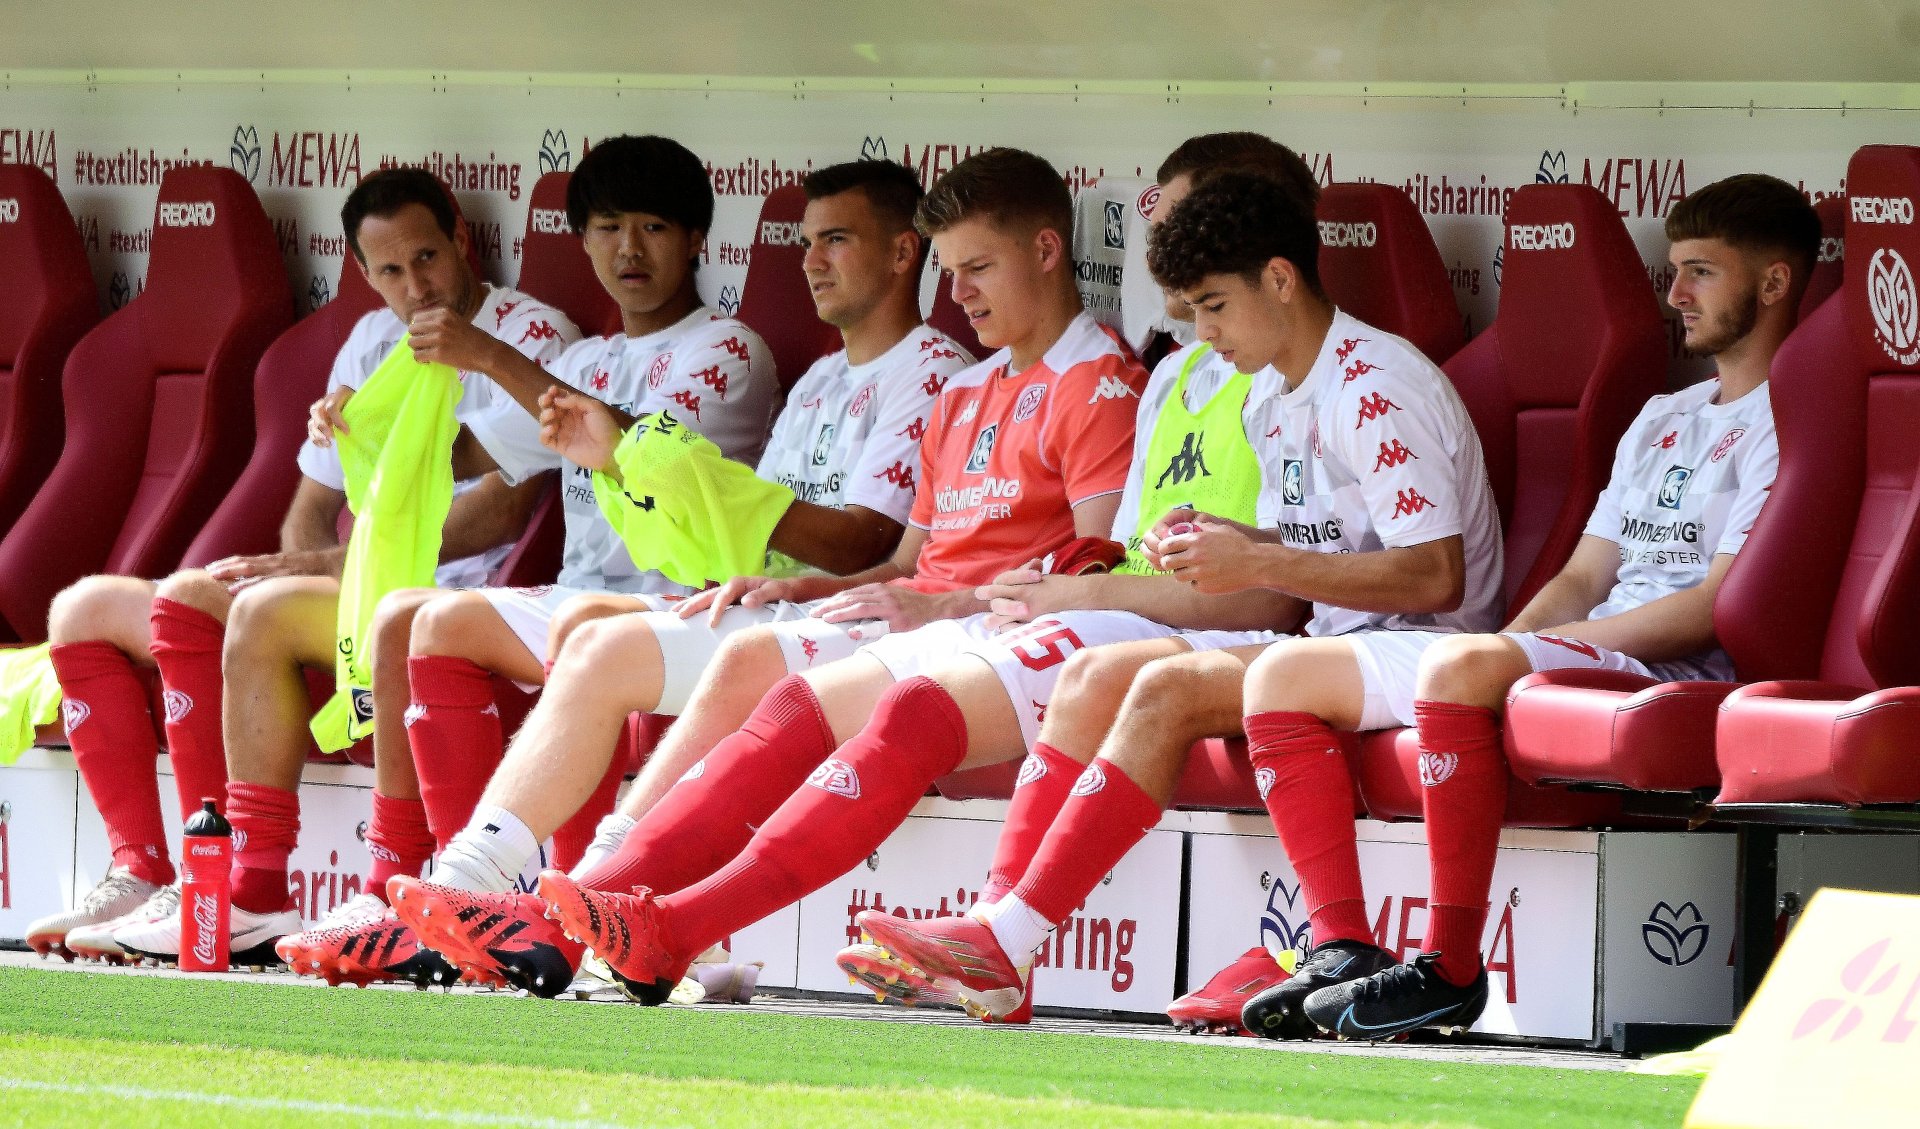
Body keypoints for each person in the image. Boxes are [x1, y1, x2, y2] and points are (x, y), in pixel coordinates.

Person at [387, 146, 1149, 999]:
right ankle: (569, 900)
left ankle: (584, 907)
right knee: (664, 648)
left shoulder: (1100, 383)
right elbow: (904, 562)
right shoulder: (965, 392)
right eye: (953, 269)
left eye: (977, 268)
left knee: (672, 654)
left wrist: (926, 596)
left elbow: (1088, 570)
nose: (959, 290)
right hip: (905, 617)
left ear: (1046, 252)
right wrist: (803, 586)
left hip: (987, 638)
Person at [277, 157, 974, 988]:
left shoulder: (904, 366)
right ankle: (462, 899)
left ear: (904, 254)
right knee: (428, 620)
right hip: (748, 597)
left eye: (835, 240)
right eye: (804, 242)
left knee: (590, 637)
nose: (811, 261)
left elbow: (854, 542)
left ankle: (520, 906)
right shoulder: (819, 377)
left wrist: (692, 485)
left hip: (806, 616)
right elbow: (663, 487)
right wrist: (364, 426)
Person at [835, 165, 1509, 1023]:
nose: (1201, 332)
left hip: (1429, 640)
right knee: (1115, 675)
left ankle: (1011, 936)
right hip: (1345, 641)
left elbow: (1432, 573)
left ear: (1279, 277)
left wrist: (1259, 566)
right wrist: (1221, 540)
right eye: (1189, 309)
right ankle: (1004, 936)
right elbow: (1319, 547)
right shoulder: (1271, 391)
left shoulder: (1374, 385)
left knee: (1168, 684)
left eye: (1214, 306)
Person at [110, 134, 779, 968]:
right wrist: (361, 429)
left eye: (652, 227)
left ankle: (515, 907)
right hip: (578, 595)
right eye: (608, 228)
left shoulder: (727, 350)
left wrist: (486, 355)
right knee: (400, 619)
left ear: (697, 240)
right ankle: (396, 891)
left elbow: (620, 443)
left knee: (499, 626)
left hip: (674, 599)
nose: (629, 250)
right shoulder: (584, 356)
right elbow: (457, 457)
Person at [1221, 173, 1815, 1041]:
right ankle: (1341, 943)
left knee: (1461, 663)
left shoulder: (1785, 419)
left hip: (1673, 664)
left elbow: (1712, 606)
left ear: (1773, 283)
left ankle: (1450, 968)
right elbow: (1581, 575)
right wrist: (1514, 644)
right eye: (1673, 269)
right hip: (1600, 647)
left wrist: (1539, 648)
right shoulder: (1662, 415)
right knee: (1283, 674)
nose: (1675, 293)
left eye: (1701, 272)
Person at [25, 166, 568, 962]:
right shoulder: (368, 340)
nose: (414, 285)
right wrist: (298, 561)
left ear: (460, 240)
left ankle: (262, 882)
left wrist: (326, 564)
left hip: (451, 596)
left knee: (265, 608)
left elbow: (501, 508)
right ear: (360, 272)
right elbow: (312, 502)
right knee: (100, 606)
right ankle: (163, 873)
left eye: (426, 258)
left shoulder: (528, 335)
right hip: (355, 581)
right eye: (389, 270)